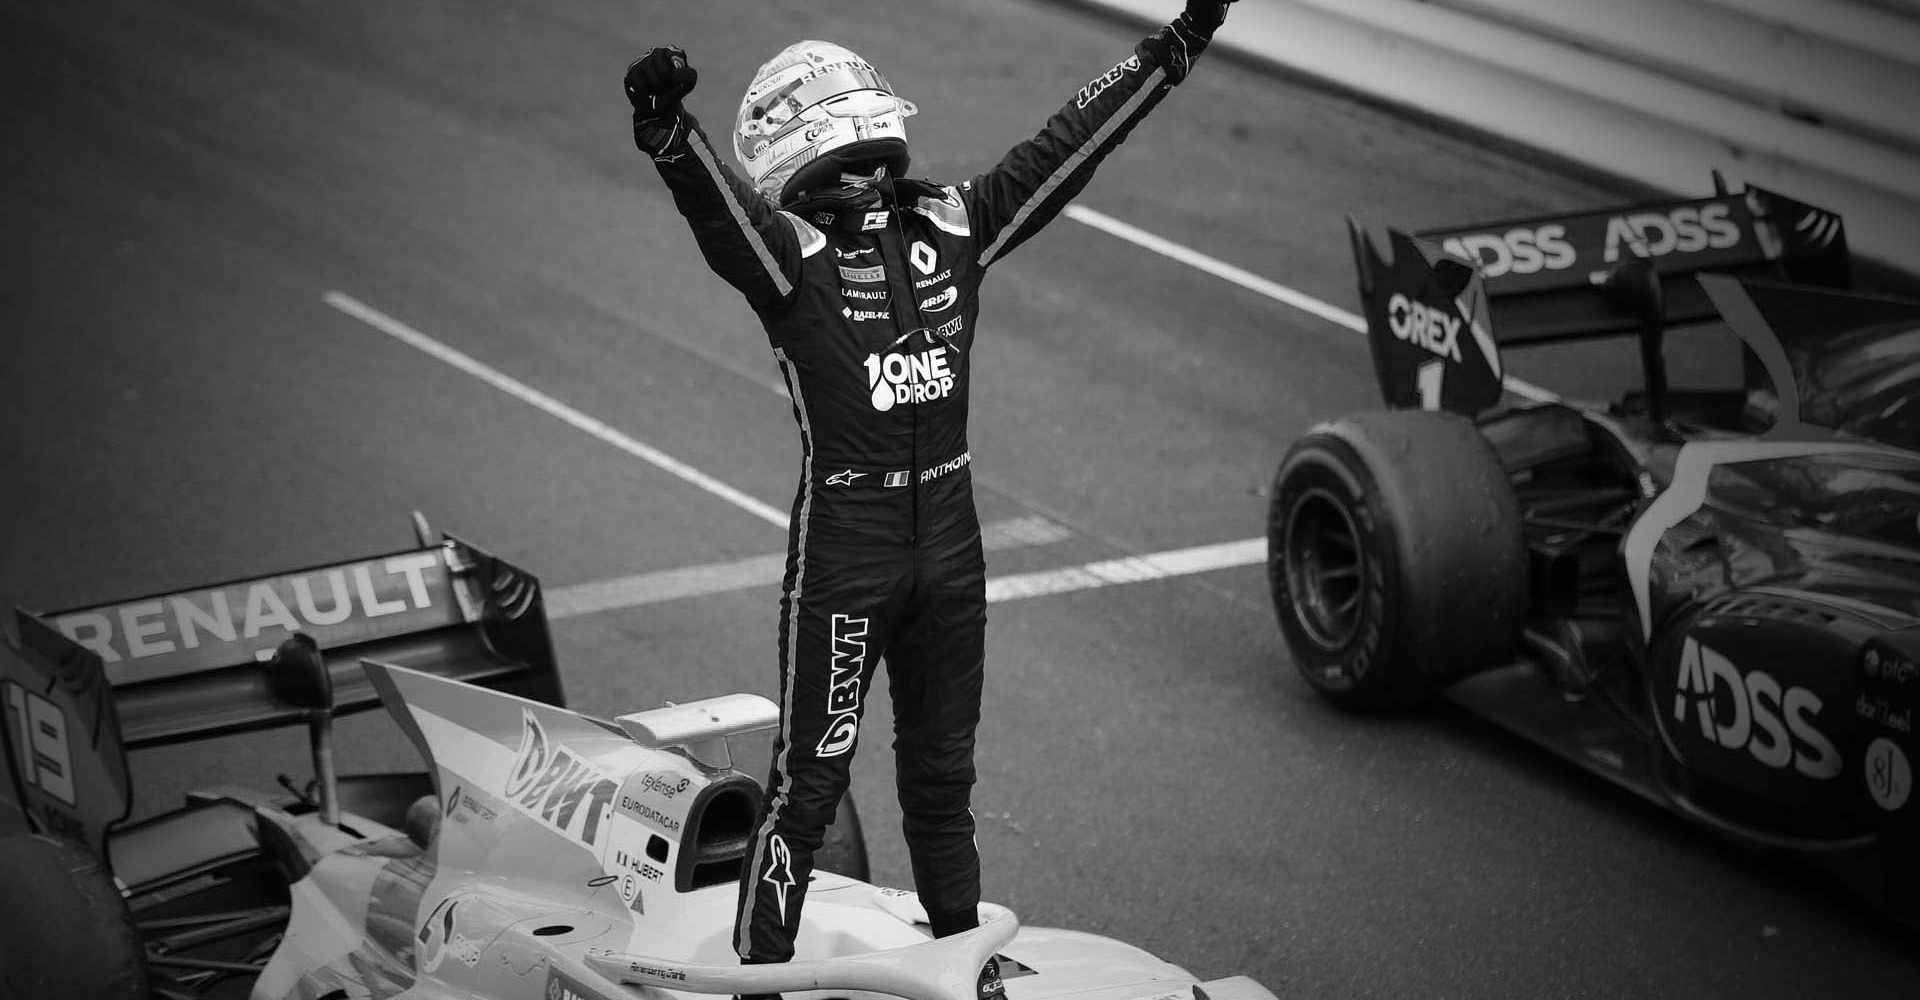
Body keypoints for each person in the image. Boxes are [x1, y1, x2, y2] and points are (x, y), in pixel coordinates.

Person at [622, 3, 1234, 996]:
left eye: (875, 150)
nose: (874, 168)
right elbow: (717, 210)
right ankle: (754, 982)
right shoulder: (792, 257)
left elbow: (1064, 150)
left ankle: (965, 967)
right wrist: (667, 133)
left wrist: (1173, 48)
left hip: (947, 547)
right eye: (858, 151)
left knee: (942, 786)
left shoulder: (955, 222)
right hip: (850, 554)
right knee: (807, 788)